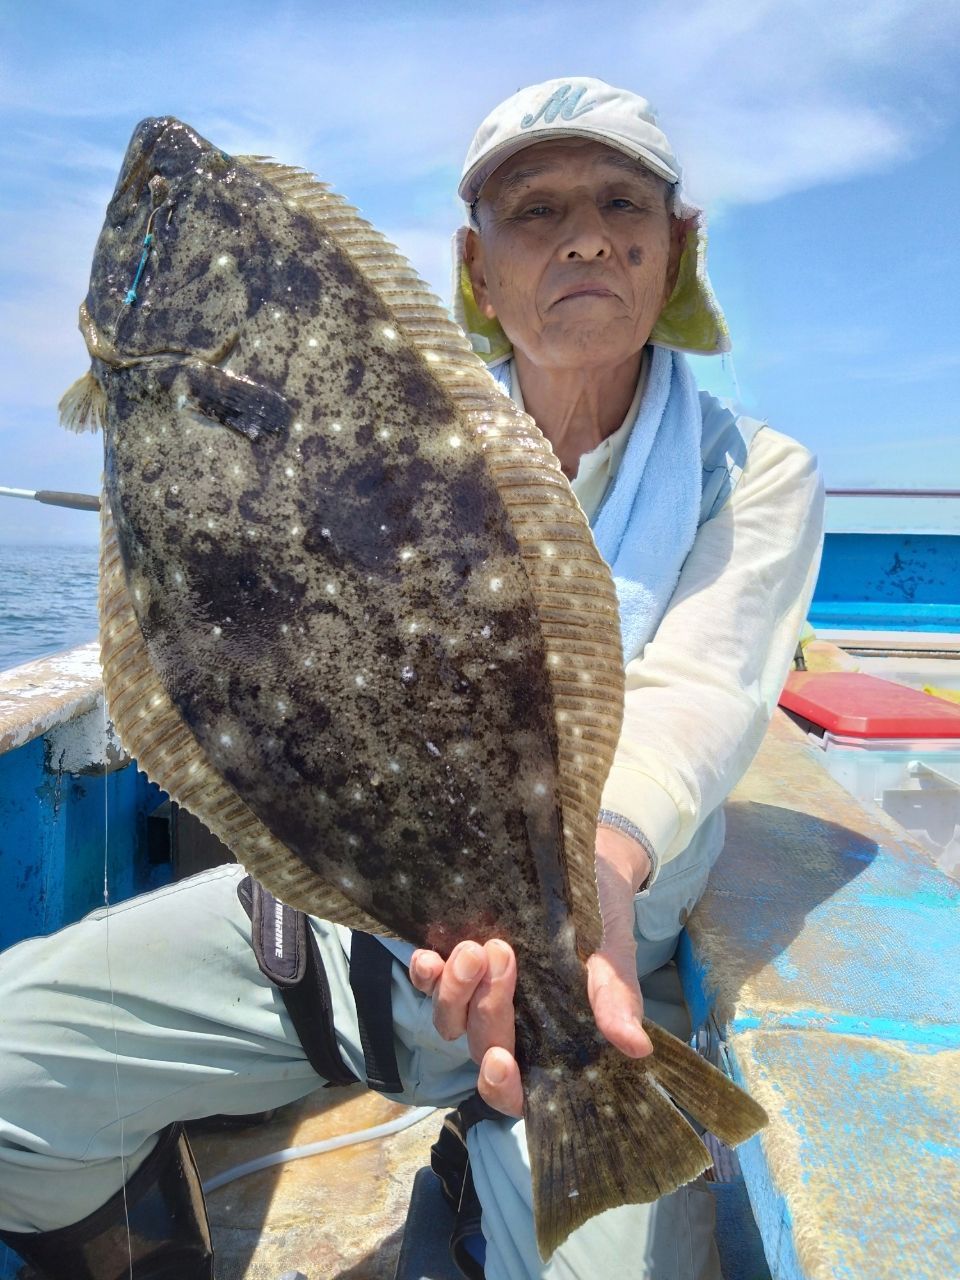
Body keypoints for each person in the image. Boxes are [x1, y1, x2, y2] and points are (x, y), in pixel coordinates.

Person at [0, 77, 823, 1280]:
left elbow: (701, 692)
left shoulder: (754, 473)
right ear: (476, 268)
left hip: (588, 969)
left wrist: (584, 881)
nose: (586, 234)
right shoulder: (383, 432)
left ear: (675, 247)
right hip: (334, 923)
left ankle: (484, 1162)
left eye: (621, 203)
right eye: (535, 210)